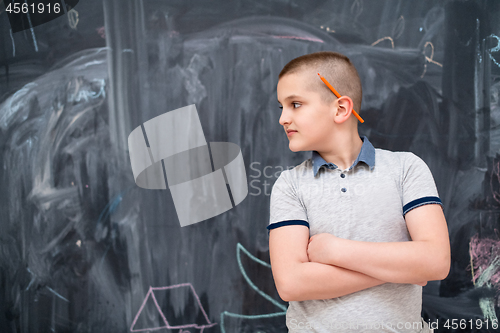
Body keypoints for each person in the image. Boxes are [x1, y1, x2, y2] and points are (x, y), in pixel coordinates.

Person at [267, 51, 451, 333]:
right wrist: (401, 270)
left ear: (341, 109)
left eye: (295, 104)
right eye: (281, 107)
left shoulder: (406, 169)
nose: (283, 118)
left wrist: (335, 250)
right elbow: (292, 283)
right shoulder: (289, 185)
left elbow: (436, 262)